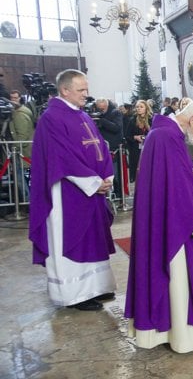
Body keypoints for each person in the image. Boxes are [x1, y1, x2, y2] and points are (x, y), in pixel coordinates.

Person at [124, 99, 193, 353]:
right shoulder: (167, 137)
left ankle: (162, 332)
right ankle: (184, 337)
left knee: (169, 276)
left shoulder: (163, 133)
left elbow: (178, 180)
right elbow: (179, 188)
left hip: (164, 216)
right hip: (175, 221)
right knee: (178, 275)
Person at [29, 69, 116, 312]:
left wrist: (106, 177)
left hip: (93, 190)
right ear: (64, 90)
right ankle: (74, 294)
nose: (86, 95)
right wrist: (93, 182)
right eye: (81, 90)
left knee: (93, 237)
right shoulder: (52, 118)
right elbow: (62, 157)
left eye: (86, 89)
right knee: (71, 238)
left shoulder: (83, 116)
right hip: (68, 193)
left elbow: (100, 146)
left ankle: (96, 287)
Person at [8, 90, 35, 203]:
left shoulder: (19, 114)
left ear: (20, 98)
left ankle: (28, 203)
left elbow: (22, 137)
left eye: (16, 98)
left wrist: (13, 149)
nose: (14, 100)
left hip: (22, 152)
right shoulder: (21, 112)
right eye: (12, 98)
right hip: (24, 151)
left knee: (22, 179)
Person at [95, 98, 124, 198]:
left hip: (114, 148)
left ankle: (119, 195)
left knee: (115, 175)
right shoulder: (99, 114)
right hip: (102, 149)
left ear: (106, 105)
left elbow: (117, 128)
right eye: (99, 109)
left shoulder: (116, 113)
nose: (101, 110)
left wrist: (102, 121)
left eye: (102, 109)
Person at [125, 100, 153, 182]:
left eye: (141, 107)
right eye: (137, 107)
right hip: (136, 149)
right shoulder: (132, 120)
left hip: (149, 148)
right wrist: (135, 137)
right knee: (138, 172)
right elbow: (127, 135)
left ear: (146, 108)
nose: (139, 109)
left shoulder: (152, 119)